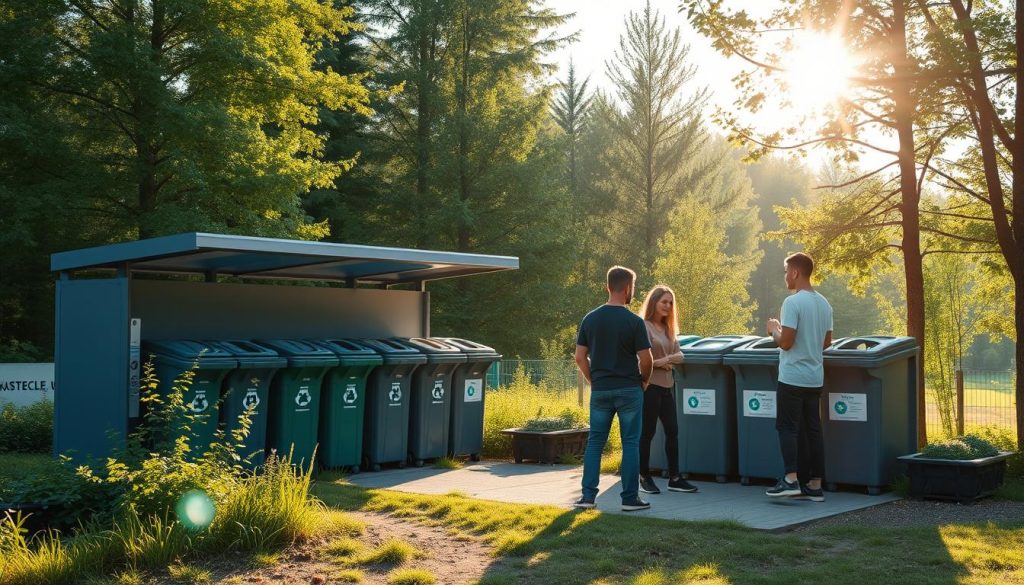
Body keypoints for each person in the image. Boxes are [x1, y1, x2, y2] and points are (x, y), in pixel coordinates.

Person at [573, 266, 654, 511]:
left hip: (601, 390)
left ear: (608, 286)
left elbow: (579, 357)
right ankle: (629, 499)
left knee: (595, 443)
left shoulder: (590, 319)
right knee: (630, 443)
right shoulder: (634, 322)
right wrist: (644, 381)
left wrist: (593, 381)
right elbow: (647, 359)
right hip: (630, 389)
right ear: (628, 287)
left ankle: (587, 497)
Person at [765, 252, 833, 501]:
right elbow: (826, 342)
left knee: (787, 428)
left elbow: (785, 343)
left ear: (794, 272)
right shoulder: (824, 303)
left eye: (786, 272)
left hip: (792, 376)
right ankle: (815, 485)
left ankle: (790, 479)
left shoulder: (792, 303)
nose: (785, 277)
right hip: (815, 377)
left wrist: (774, 331)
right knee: (813, 430)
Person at [637, 285, 698, 495]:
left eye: (671, 303)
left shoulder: (669, 329)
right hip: (650, 387)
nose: (668, 306)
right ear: (653, 302)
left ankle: (675, 478)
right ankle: (644, 477)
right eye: (664, 302)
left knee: (673, 431)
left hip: (667, 387)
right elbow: (640, 361)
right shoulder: (643, 326)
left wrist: (665, 360)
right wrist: (663, 361)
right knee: (647, 433)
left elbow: (681, 356)